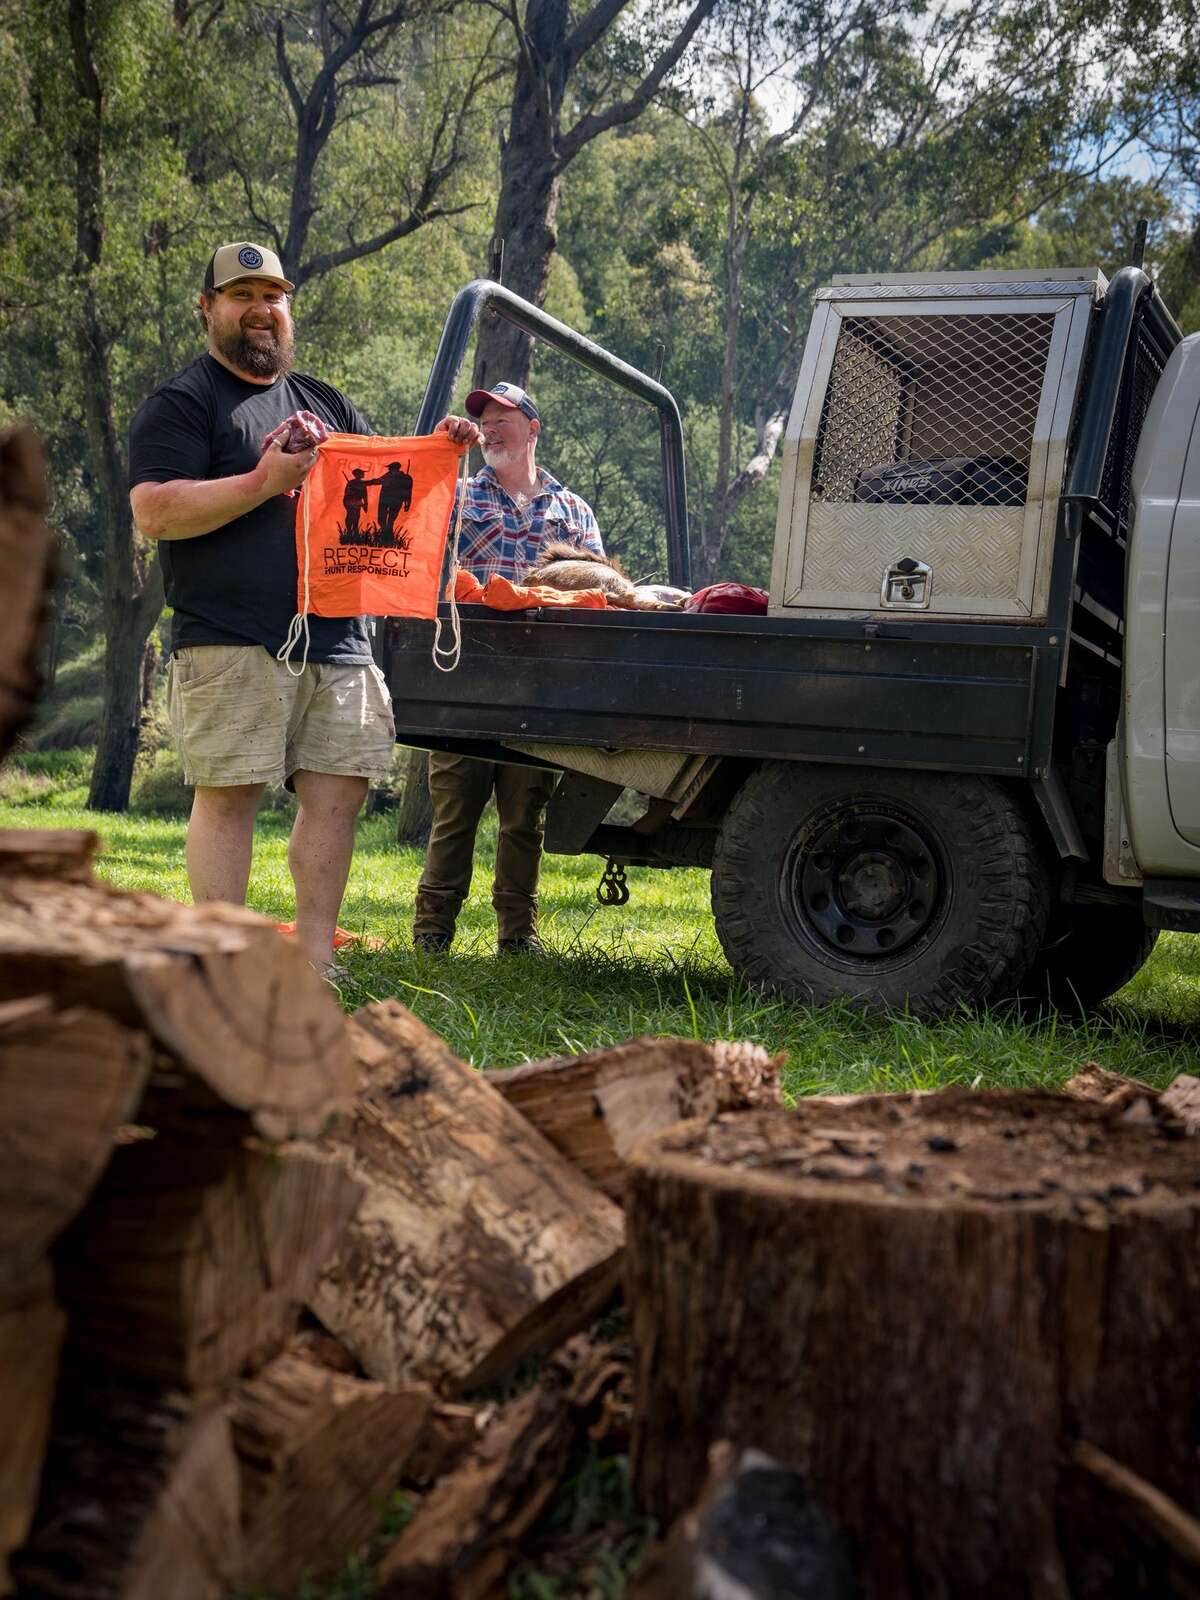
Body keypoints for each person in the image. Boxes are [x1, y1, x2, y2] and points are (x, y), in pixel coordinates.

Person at [127, 240, 395, 979]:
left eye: (272, 295)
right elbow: (154, 510)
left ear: (287, 310)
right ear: (207, 309)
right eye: (241, 295)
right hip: (231, 639)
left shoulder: (325, 401)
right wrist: (259, 481)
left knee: (340, 793)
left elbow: (378, 485)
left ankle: (313, 959)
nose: (259, 309)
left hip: (338, 635)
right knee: (231, 794)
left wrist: (440, 448)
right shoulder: (183, 401)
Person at [413, 383, 603, 956]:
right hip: (465, 681)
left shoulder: (573, 510)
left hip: (540, 688)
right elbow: (415, 528)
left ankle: (517, 935)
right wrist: (444, 450)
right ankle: (432, 931)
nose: (492, 428)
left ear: (532, 430)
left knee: (525, 817)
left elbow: (598, 593)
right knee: (455, 814)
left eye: (504, 418)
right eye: (484, 420)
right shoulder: (459, 495)